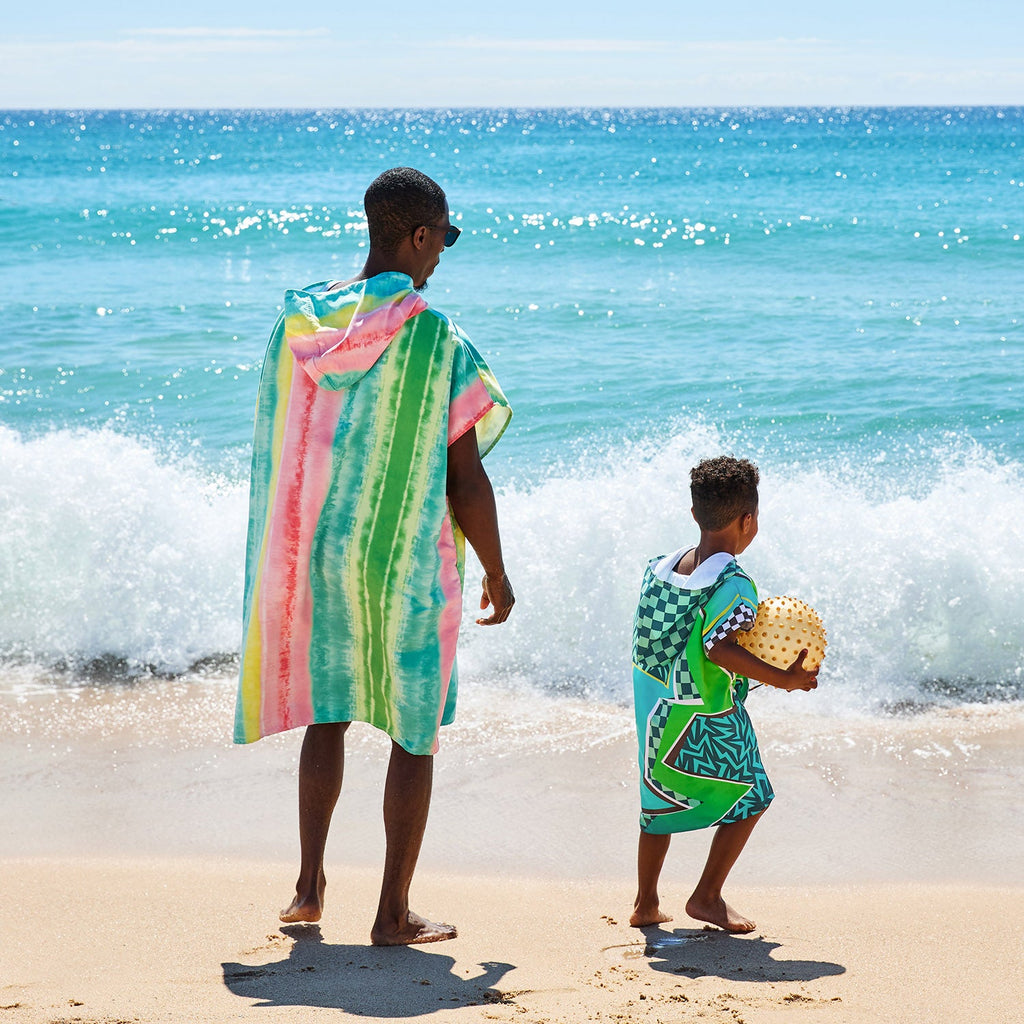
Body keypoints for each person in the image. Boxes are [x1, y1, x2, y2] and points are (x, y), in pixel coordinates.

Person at [234, 167, 515, 946]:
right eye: (444, 239)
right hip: (405, 560)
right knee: (412, 731)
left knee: (329, 714)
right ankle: (392, 912)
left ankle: (307, 887)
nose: (442, 257)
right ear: (419, 236)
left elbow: (284, 443)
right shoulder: (434, 335)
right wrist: (496, 567)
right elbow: (466, 475)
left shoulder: (301, 325)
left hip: (318, 555)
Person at [629, 456, 818, 933]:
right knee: (753, 796)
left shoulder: (660, 568)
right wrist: (784, 678)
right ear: (748, 520)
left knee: (657, 803)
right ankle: (707, 896)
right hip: (705, 715)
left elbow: (671, 637)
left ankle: (646, 903)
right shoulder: (734, 584)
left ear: (695, 514)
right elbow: (718, 648)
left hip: (655, 710)